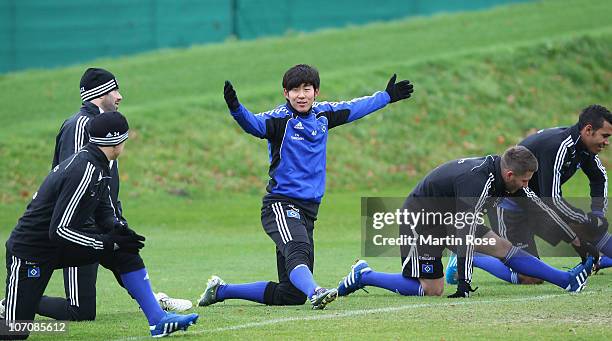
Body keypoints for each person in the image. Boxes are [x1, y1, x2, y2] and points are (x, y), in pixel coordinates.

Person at [198, 64, 414, 309]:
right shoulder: (279, 120)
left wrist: (386, 96)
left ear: (316, 92)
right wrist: (236, 109)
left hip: (309, 210)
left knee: (290, 295)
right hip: (281, 204)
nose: (301, 95)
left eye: (306, 89)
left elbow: (354, 107)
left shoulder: (324, 115)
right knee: (298, 250)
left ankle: (220, 291)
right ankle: (317, 291)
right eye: (295, 90)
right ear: (285, 93)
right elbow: (254, 125)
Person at [1, 112, 198, 339]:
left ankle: (158, 321)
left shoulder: (99, 164)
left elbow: (104, 210)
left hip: (59, 246)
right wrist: (105, 242)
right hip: (30, 253)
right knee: (14, 332)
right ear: (117, 141)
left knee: (124, 250)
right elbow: (59, 230)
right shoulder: (85, 169)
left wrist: (118, 230)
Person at [337, 146, 593, 299]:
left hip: (450, 218)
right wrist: (463, 283)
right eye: (525, 181)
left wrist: (575, 239)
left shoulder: (505, 178)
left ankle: (566, 280)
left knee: (501, 246)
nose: (526, 186)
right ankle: (364, 275)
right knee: (432, 290)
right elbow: (464, 233)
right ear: (510, 174)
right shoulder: (478, 184)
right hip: (421, 221)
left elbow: (539, 206)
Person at [446, 105, 611, 284]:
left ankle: (598, 260)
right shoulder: (558, 147)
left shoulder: (584, 149)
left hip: (536, 204)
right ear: (588, 130)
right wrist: (587, 220)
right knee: (530, 277)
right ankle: (471, 255)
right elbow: (552, 200)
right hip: (510, 205)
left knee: (591, 227)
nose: (607, 142)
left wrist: (597, 215)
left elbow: (599, 178)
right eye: (605, 136)